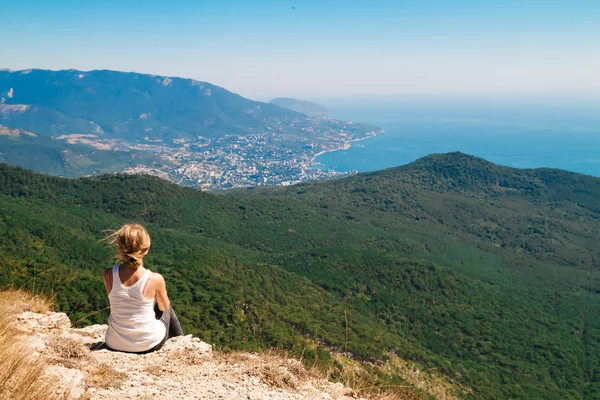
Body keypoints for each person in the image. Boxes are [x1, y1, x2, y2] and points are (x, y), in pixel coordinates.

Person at [102, 223, 183, 353]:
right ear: (145, 249)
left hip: (114, 343)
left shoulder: (108, 275)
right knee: (167, 308)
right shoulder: (155, 279)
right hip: (147, 344)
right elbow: (163, 307)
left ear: (119, 247)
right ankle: (182, 343)